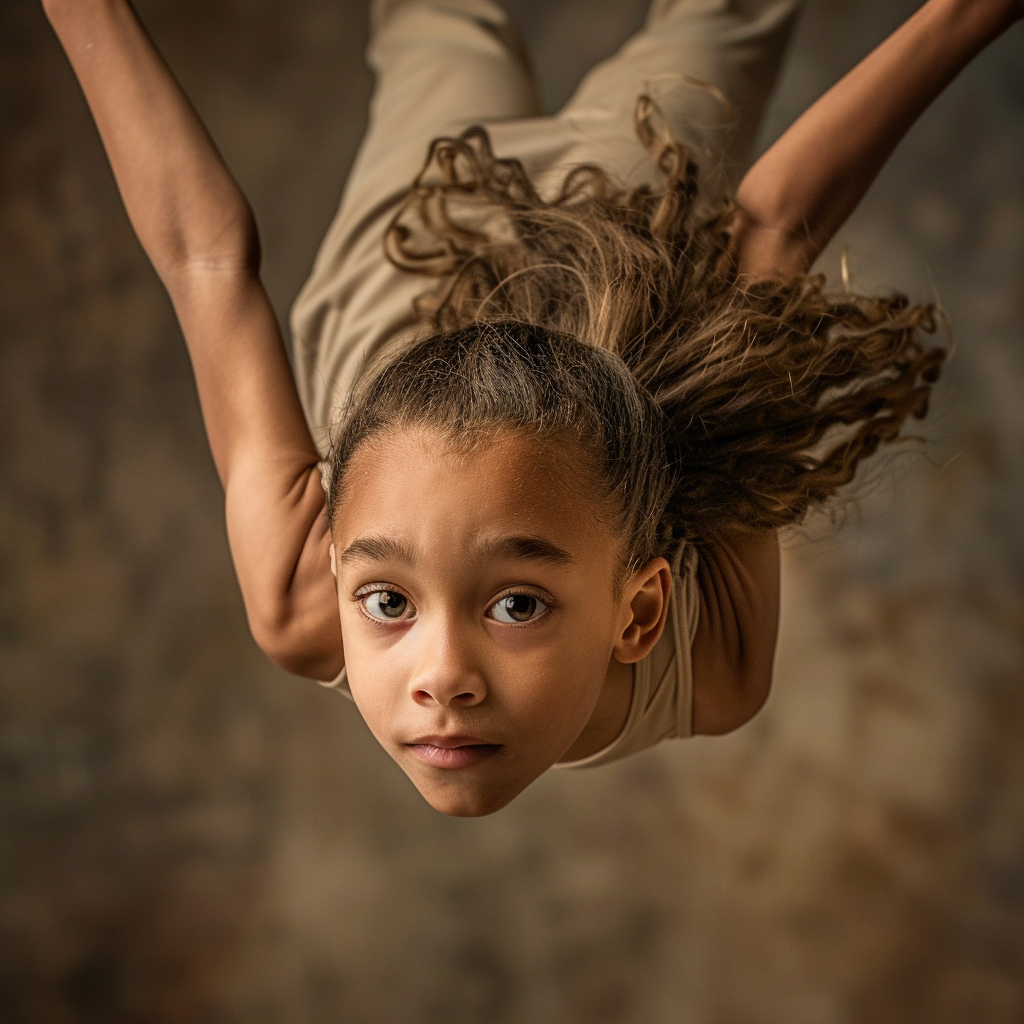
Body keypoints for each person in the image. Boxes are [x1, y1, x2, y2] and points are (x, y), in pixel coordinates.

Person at [42, 0, 1021, 816]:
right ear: (643, 609)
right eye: (388, 599)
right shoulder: (711, 662)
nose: (442, 678)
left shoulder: (302, 598)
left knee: (433, 14)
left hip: (427, 205)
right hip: (633, 205)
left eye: (512, 603)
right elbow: (768, 227)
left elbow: (206, 260)